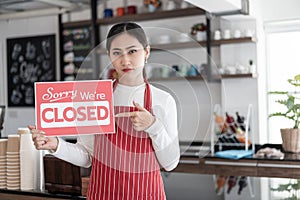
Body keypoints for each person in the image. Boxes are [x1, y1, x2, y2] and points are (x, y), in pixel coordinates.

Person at [29, 22, 180, 200]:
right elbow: (86, 156)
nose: (125, 60)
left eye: (132, 51)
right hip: (102, 194)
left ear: (146, 52)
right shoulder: (94, 97)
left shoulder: (162, 100)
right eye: (117, 53)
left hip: (146, 194)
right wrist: (55, 145)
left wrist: (153, 126)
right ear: (109, 55)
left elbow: (170, 163)